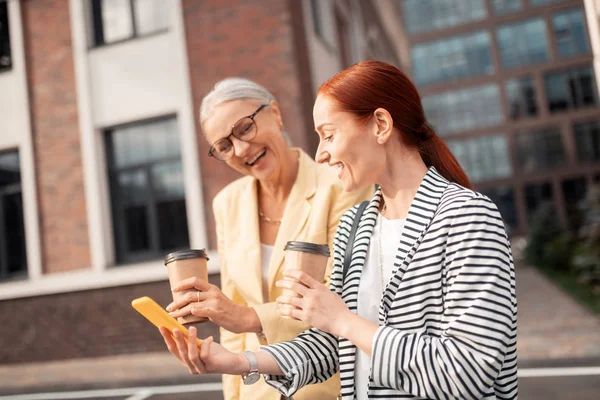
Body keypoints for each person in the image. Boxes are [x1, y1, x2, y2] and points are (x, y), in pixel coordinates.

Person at [161, 61, 518, 400]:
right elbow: (331, 345)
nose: (321, 155)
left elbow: (469, 370)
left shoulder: (466, 216)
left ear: (380, 125)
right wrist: (240, 362)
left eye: (328, 135)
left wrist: (344, 321)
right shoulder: (357, 225)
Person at [160, 77, 372, 400]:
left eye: (245, 128)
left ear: (275, 113)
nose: (241, 149)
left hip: (327, 390)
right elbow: (231, 327)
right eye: (224, 146)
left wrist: (245, 317)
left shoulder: (340, 185)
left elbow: (344, 301)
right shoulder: (227, 204)